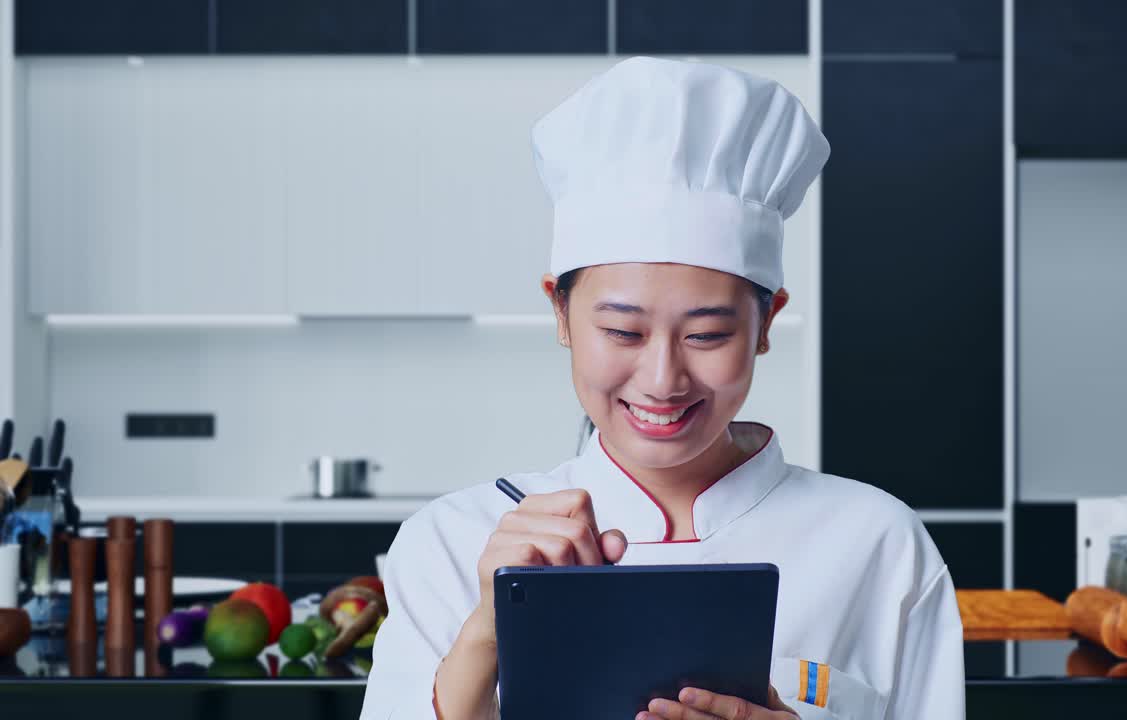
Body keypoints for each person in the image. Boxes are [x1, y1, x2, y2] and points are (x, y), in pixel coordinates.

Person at [361, 56, 965, 720]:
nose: (662, 380)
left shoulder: (877, 544)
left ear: (767, 323)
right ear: (560, 314)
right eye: (623, 332)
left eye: (706, 335)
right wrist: (485, 635)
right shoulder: (452, 543)